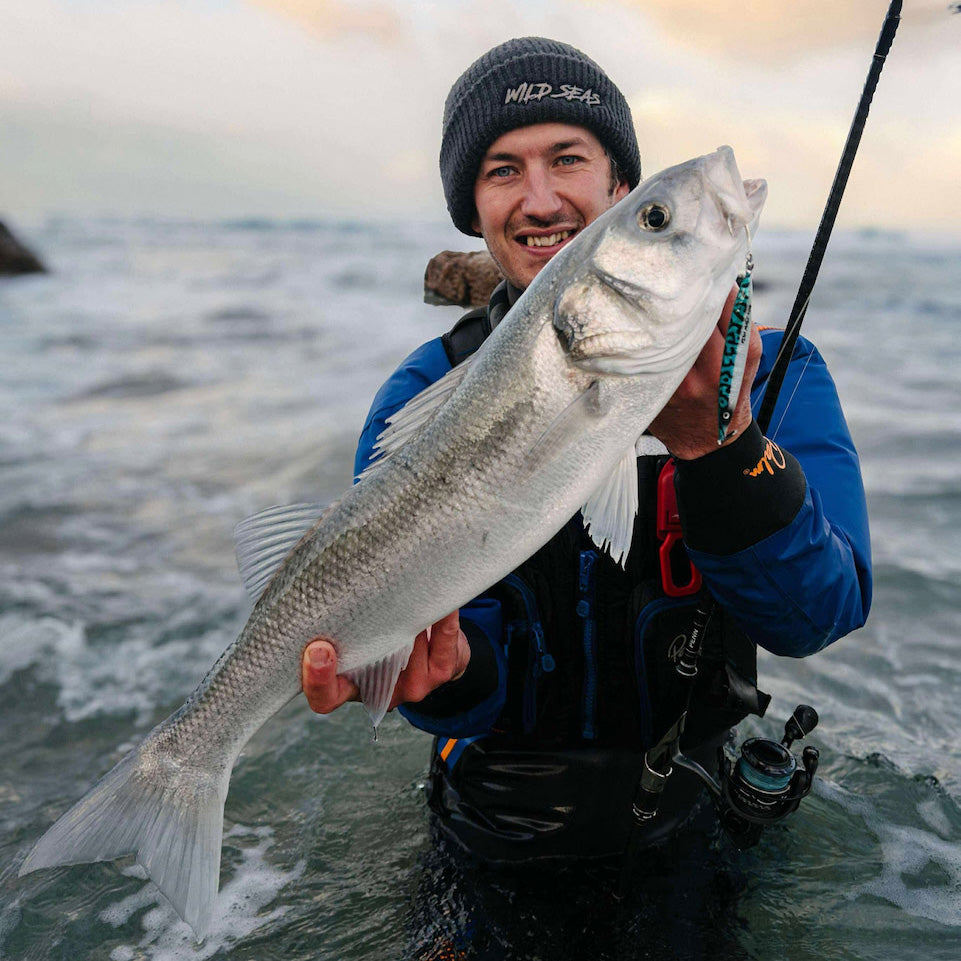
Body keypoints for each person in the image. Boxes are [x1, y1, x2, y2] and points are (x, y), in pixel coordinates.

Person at [299, 37, 871, 861]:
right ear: (473, 209)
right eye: (502, 170)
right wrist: (450, 673)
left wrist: (718, 447)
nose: (538, 199)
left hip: (698, 806)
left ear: (617, 190)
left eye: (567, 159)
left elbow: (819, 612)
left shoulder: (777, 373)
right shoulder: (423, 393)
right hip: (493, 820)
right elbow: (444, 669)